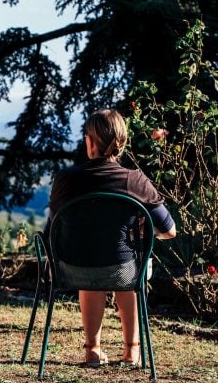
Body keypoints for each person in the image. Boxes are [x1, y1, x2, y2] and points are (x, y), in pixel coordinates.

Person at [46, 108, 176, 367]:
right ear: (122, 143)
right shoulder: (135, 180)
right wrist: (143, 231)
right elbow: (169, 230)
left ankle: (92, 350)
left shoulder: (66, 180)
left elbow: (53, 227)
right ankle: (132, 351)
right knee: (129, 261)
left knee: (95, 260)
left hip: (72, 270)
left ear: (90, 142)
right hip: (123, 271)